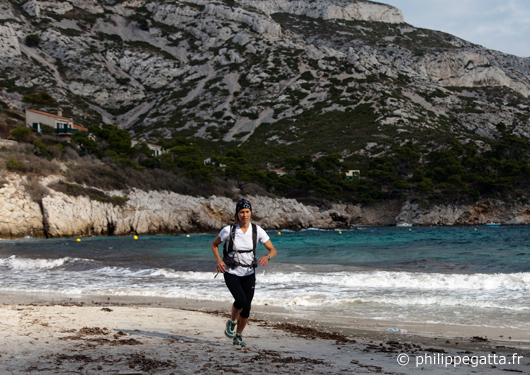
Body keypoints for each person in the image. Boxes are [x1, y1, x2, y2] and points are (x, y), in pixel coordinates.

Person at [211, 198, 277, 347]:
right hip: (231, 272)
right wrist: (218, 261)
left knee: (246, 307)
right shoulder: (228, 230)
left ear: (250, 213)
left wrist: (267, 257)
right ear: (237, 214)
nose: (245, 215)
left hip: (249, 273)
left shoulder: (256, 230)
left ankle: (238, 336)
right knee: (240, 300)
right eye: (242, 212)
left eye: (247, 212)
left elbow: (273, 250)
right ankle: (232, 322)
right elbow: (214, 244)